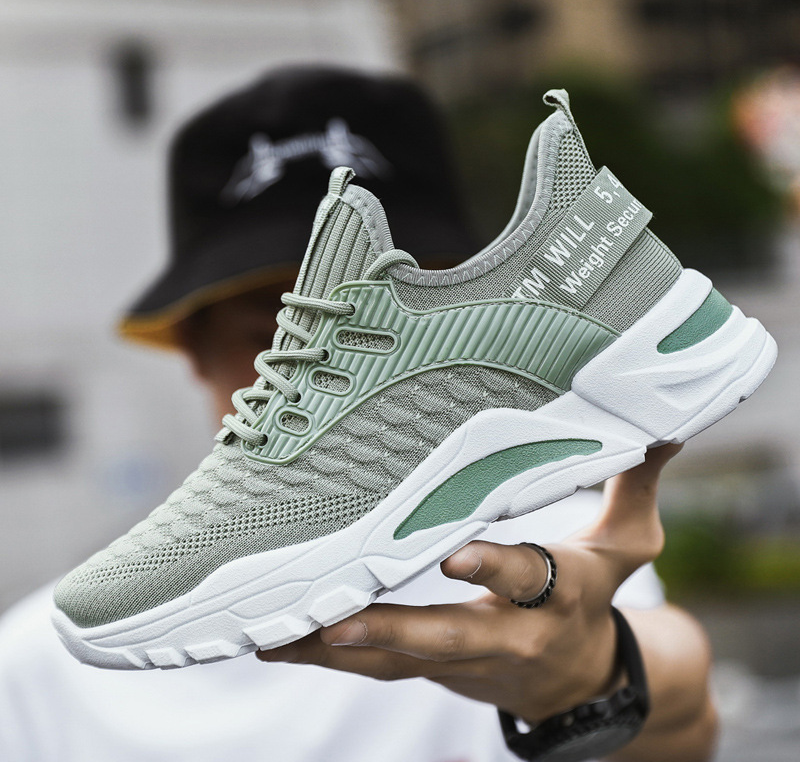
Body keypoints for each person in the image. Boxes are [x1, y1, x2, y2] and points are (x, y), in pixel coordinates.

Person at [0, 67, 717, 761]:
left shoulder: (555, 559)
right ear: (193, 348)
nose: (323, 377)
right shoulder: (32, 670)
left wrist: (594, 680)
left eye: (377, 325)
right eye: (288, 334)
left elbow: (686, 722)